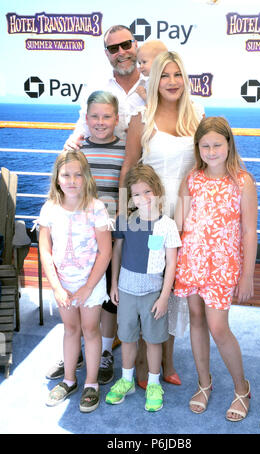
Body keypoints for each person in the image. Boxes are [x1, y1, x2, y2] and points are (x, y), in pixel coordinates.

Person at [47, 24, 146, 383]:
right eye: (113, 47)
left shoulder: (152, 83)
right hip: (84, 222)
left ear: (135, 46)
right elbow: (79, 131)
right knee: (79, 280)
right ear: (107, 52)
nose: (120, 51)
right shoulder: (98, 89)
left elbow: (135, 159)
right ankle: (75, 354)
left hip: (121, 214)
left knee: (109, 287)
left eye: (126, 44)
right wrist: (74, 141)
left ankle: (105, 350)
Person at [119, 50, 205, 388]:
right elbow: (128, 167)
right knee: (149, 282)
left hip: (186, 217)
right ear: (155, 81)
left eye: (177, 75)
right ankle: (141, 362)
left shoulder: (197, 116)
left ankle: (167, 362)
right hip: (150, 218)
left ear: (185, 79)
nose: (171, 82)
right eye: (165, 76)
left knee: (174, 289)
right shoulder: (142, 118)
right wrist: (127, 213)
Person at [174, 116, 257, 421]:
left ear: (229, 144)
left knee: (218, 327)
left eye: (217, 145)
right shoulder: (192, 178)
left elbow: (249, 231)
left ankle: (241, 387)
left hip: (223, 267)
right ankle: (204, 382)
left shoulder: (243, 182)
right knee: (196, 318)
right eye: (205, 145)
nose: (211, 151)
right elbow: (180, 223)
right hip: (191, 262)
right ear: (198, 148)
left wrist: (247, 274)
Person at [39, 150, 112, 412]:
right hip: (64, 285)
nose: (71, 180)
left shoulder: (97, 208)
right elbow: (45, 250)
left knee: (91, 330)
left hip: (89, 285)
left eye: (77, 175)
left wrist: (88, 287)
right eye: (66, 174)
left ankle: (91, 383)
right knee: (70, 330)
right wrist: (57, 287)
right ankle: (69, 379)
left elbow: (106, 251)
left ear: (86, 178)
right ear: (57, 178)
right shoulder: (50, 208)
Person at [105, 164, 181, 411]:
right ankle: (126, 380)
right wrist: (114, 283)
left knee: (153, 340)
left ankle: (154, 384)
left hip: (152, 294)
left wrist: (164, 297)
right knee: (127, 337)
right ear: (130, 197)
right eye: (136, 194)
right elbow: (117, 251)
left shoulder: (167, 225)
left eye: (147, 192)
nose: (143, 198)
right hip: (126, 291)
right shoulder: (125, 221)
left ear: (157, 191)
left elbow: (171, 264)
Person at [81, 90, 125, 385]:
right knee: (83, 291)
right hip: (83, 239)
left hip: (111, 237)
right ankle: (83, 345)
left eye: (106, 116)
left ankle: (106, 349)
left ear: (116, 119)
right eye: (95, 116)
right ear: (86, 119)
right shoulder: (78, 151)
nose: (100, 122)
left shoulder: (125, 151)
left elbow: (128, 194)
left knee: (110, 295)